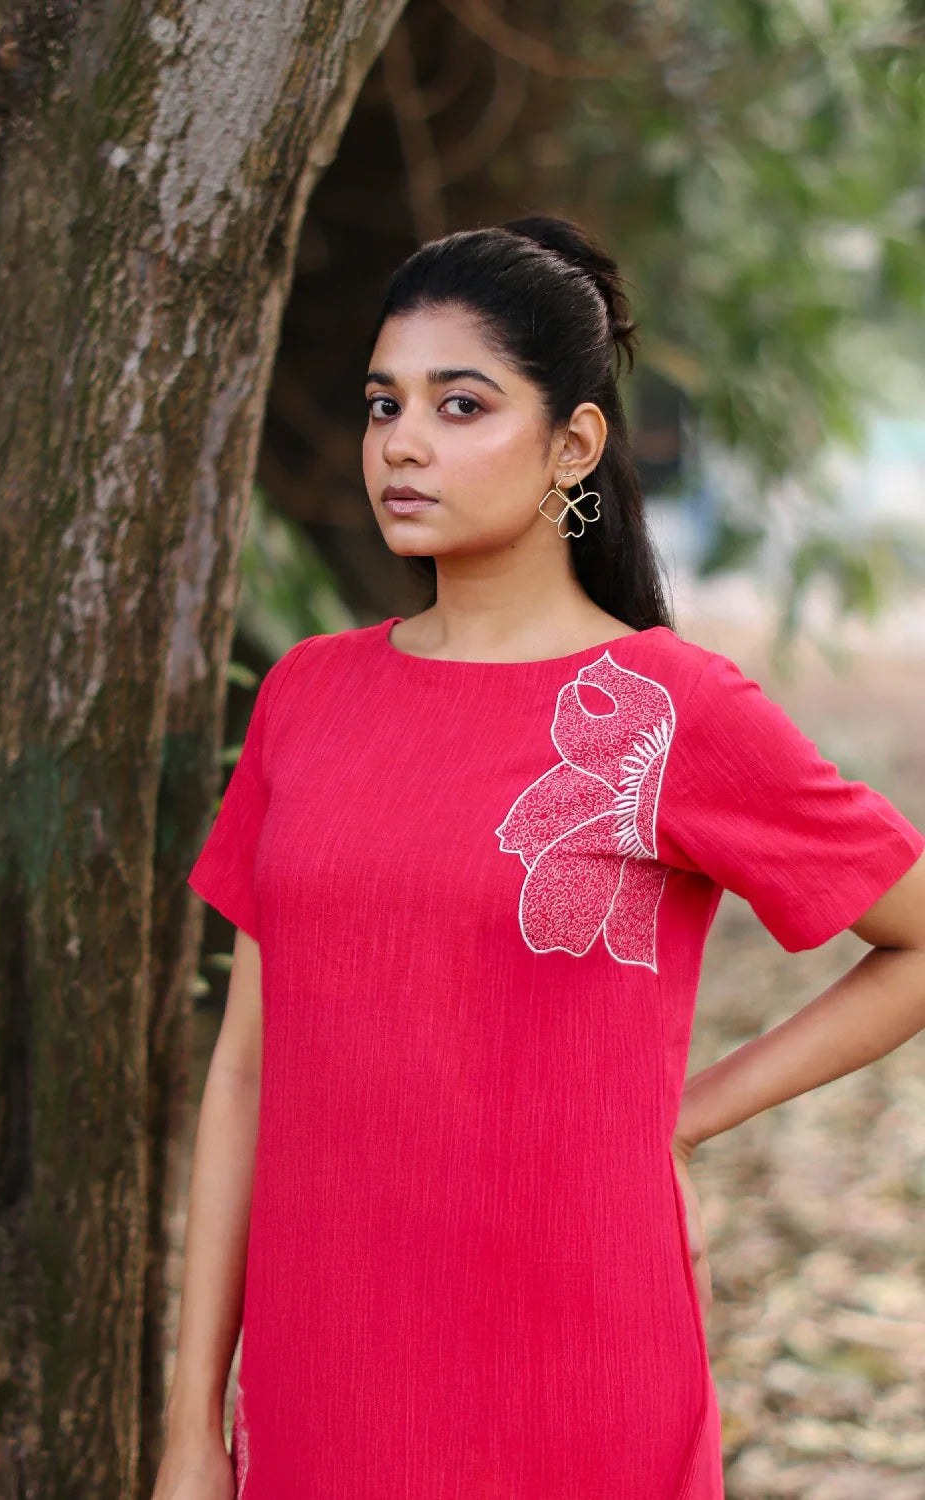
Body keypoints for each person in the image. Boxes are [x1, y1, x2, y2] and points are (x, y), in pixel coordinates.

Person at [151, 216, 925, 1500]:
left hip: (571, 1356)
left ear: (574, 442)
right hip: (323, 1362)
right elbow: (242, 1075)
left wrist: (682, 1116)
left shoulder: (671, 708)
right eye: (383, 402)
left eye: (462, 405)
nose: (402, 442)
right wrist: (190, 1428)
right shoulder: (306, 695)